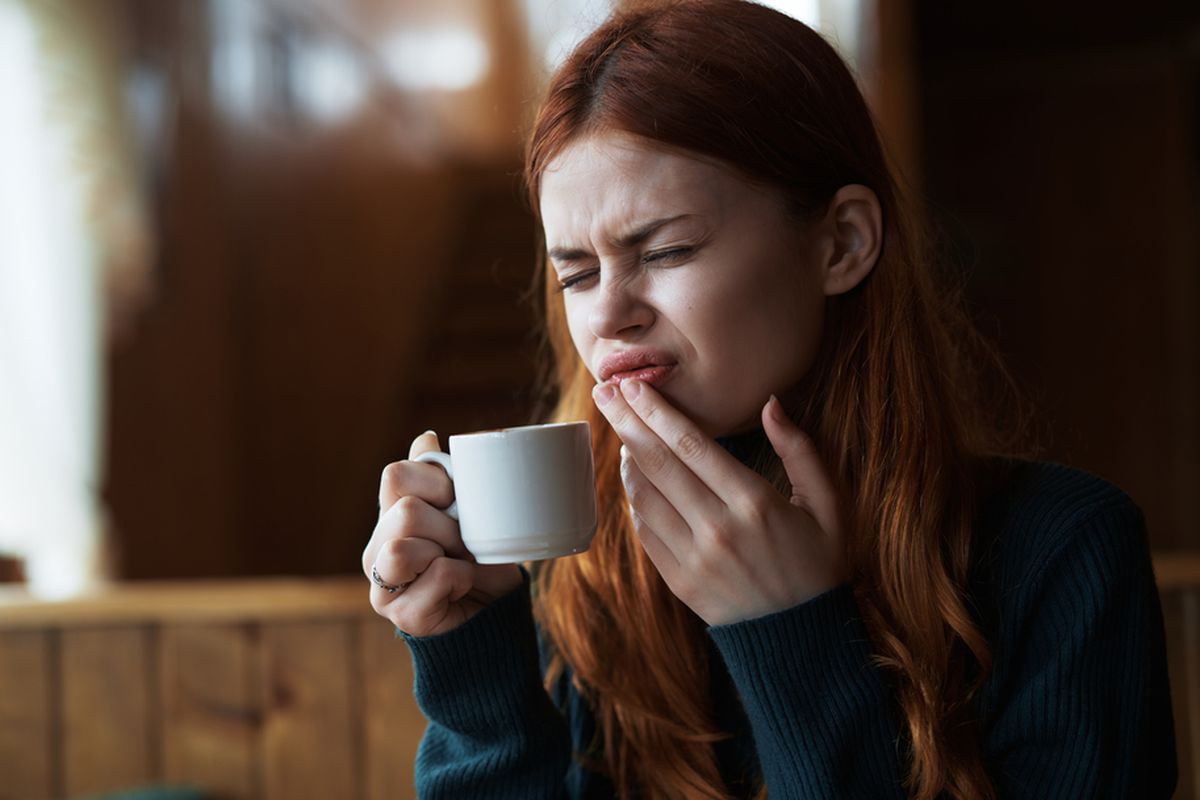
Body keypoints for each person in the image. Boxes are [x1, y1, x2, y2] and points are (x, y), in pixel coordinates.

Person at [361, 1, 1178, 797]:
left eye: (668, 249)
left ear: (843, 242)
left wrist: (793, 636)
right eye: (576, 272)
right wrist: (476, 666)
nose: (608, 313)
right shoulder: (579, 582)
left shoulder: (1066, 553)